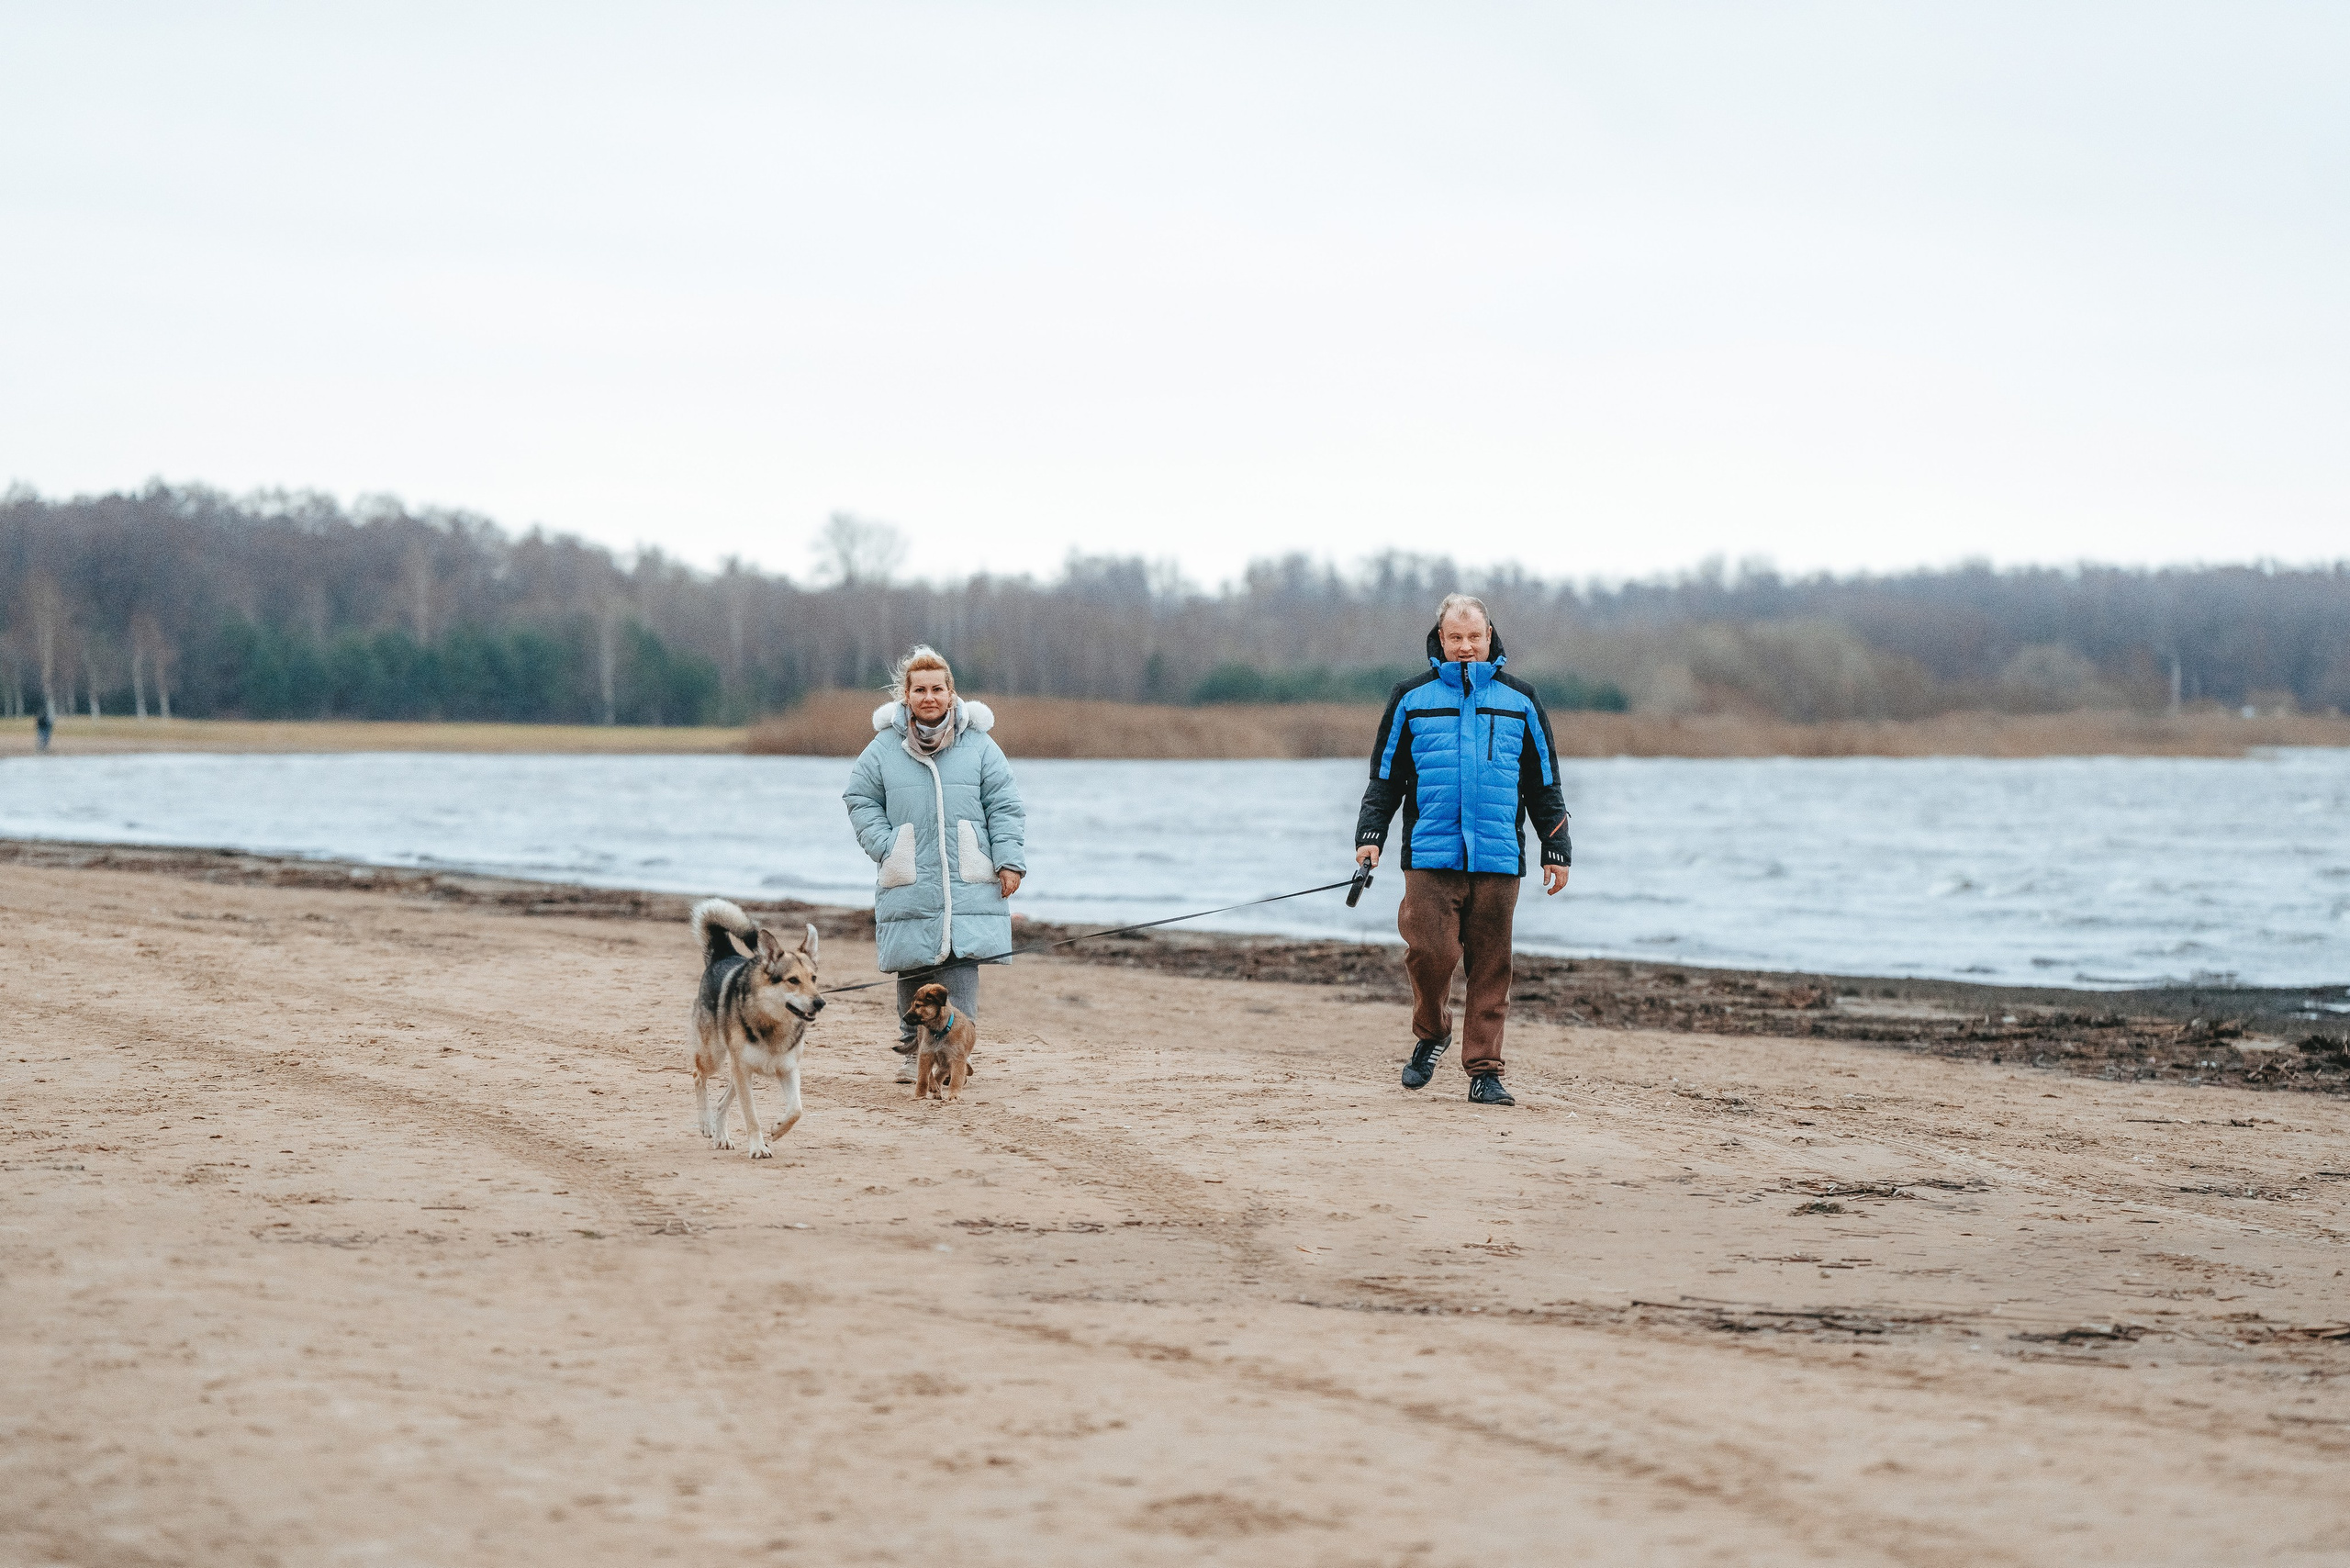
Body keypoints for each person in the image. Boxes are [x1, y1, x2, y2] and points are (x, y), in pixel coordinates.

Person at [1354, 594, 1571, 1105]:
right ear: (1441, 640)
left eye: (1475, 637)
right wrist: (1370, 837)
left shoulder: (1521, 700)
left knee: (1492, 964)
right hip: (1430, 854)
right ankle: (1433, 1032)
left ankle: (1485, 1071)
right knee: (1430, 953)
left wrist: (1555, 849)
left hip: (1498, 856)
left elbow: (1545, 784)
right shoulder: (1410, 698)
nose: (1466, 647)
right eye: (1456, 638)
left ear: (1489, 637)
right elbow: (1384, 780)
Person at [843, 646, 1027, 1082]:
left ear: (951, 693)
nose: (929, 697)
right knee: (914, 959)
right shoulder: (884, 747)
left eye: (938, 689)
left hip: (970, 873)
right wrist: (888, 846)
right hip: (909, 872)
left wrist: (1008, 861)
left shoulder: (980, 746)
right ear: (906, 695)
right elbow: (859, 798)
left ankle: (955, 1054)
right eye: (920, 689)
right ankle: (915, 1053)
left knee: (962, 960)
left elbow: (1005, 805)